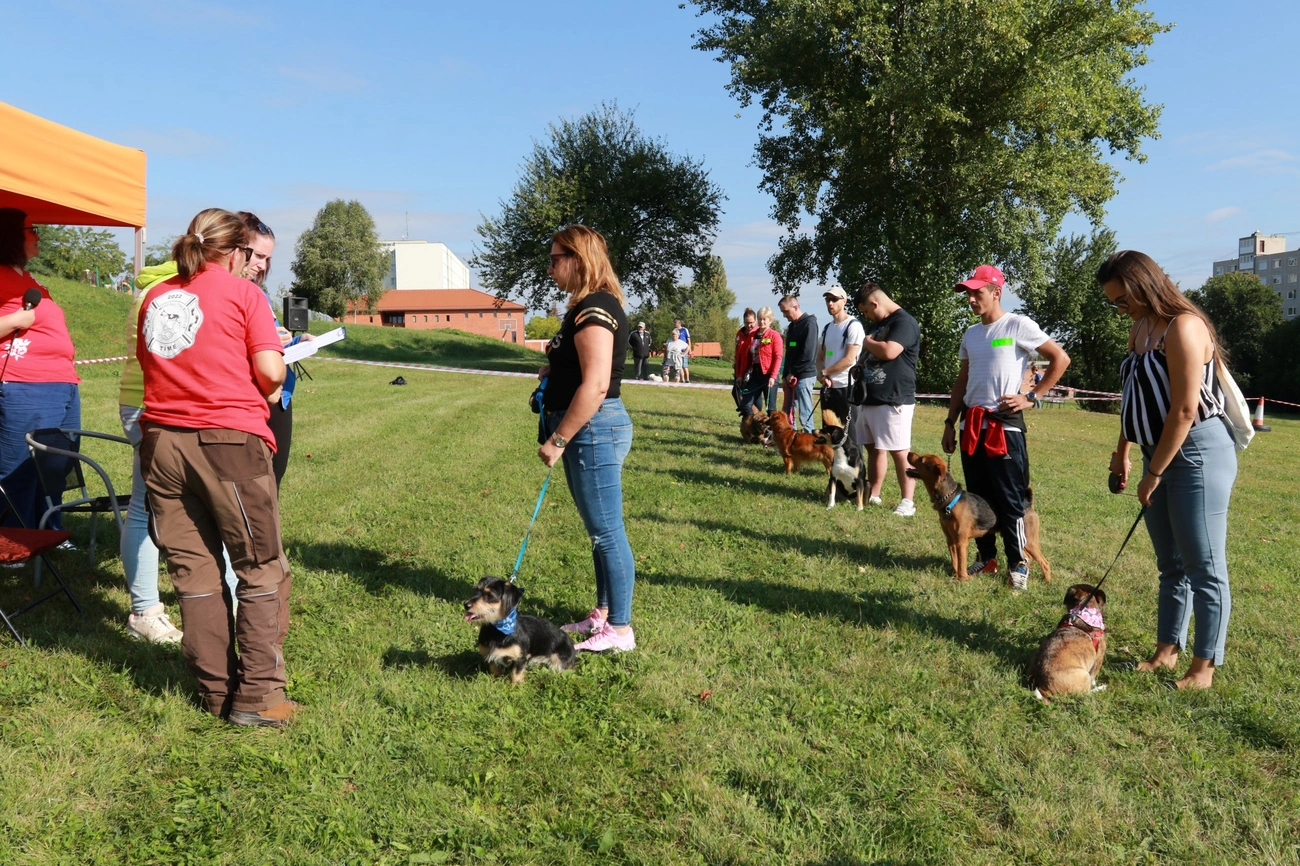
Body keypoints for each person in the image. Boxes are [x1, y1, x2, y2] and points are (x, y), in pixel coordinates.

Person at [137, 207, 294, 726]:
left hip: (160, 444)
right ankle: (260, 698)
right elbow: (271, 375)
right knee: (260, 566)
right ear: (235, 252)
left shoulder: (154, 297)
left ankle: (214, 691)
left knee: (194, 573)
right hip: (227, 442)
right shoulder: (244, 294)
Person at [1098, 250, 1236, 690]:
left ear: (1145, 285)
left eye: (1124, 299)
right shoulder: (1140, 327)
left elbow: (1184, 409)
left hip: (1197, 452)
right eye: (1114, 303)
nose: (1122, 309)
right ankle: (1166, 652)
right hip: (1156, 451)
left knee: (1205, 565)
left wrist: (1153, 474)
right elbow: (1132, 395)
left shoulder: (1185, 326)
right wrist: (1123, 450)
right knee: (1170, 564)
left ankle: (1203, 669)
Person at [537, 225, 636, 653]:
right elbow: (580, 370)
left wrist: (558, 440)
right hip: (590, 427)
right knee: (598, 531)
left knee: (608, 531)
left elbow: (596, 385)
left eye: (556, 258)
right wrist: (552, 373)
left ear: (579, 259)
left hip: (593, 428)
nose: (550, 267)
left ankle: (621, 630)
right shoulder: (586, 307)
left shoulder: (595, 307)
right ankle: (603, 614)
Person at [941, 264, 1070, 591]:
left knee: (1011, 501)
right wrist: (949, 421)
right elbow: (962, 380)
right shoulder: (971, 334)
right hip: (971, 426)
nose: (971, 299)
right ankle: (988, 558)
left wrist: (1032, 397)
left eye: (977, 292)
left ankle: (1018, 564)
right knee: (979, 500)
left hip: (1005, 428)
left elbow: (1060, 359)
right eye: (968, 293)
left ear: (996, 292)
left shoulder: (1017, 325)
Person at [0, 209, 81, 536]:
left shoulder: (26, 278)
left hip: (60, 384)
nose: (38, 235)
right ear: (10, 235)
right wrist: (14, 322)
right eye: (31, 229)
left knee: (56, 464)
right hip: (26, 386)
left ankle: (48, 531)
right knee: (20, 466)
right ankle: (13, 537)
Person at [237, 212, 311, 490]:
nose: (262, 265)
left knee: (272, 481)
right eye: (257, 256)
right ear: (236, 248)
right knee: (253, 488)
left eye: (267, 259)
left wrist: (296, 342)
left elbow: (273, 337)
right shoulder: (230, 292)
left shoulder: (259, 293)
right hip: (255, 396)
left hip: (280, 396)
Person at [851, 282, 920, 516]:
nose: (866, 316)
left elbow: (889, 351)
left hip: (894, 398)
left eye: (866, 311)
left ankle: (907, 501)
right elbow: (866, 355)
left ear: (874, 303)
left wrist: (865, 340)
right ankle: (874, 493)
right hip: (870, 397)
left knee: (900, 451)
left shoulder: (905, 322)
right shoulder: (877, 325)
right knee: (874, 448)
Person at [817, 285, 864, 410]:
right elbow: (820, 357)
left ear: (844, 301)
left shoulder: (853, 325)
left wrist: (824, 372)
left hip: (847, 387)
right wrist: (823, 377)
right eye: (828, 300)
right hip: (828, 388)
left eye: (834, 299)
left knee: (848, 430)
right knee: (827, 430)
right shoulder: (827, 328)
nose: (830, 303)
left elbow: (849, 359)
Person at [778, 295, 818, 431]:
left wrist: (793, 372)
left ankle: (810, 443)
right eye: (782, 312)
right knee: (788, 412)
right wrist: (785, 375)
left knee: (805, 414)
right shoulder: (792, 327)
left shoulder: (809, 324)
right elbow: (789, 353)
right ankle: (792, 442)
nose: (784, 315)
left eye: (786, 311)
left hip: (805, 376)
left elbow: (808, 354)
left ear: (795, 307)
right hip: (791, 376)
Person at [737, 307, 783, 417]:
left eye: (764, 319)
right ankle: (754, 428)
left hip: (769, 375)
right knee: (746, 405)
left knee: (771, 410)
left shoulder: (775, 336)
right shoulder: (753, 335)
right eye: (760, 319)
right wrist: (740, 374)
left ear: (770, 320)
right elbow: (746, 357)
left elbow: (778, 357)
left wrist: (773, 376)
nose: (761, 322)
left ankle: (772, 433)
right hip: (755, 374)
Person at [673, 317, 692, 383]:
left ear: (679, 323)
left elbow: (688, 340)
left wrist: (690, 350)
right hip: (678, 351)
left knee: (685, 366)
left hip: (684, 350)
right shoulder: (674, 330)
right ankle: (682, 379)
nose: (674, 324)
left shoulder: (684, 330)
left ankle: (687, 379)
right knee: (679, 366)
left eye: (675, 322)